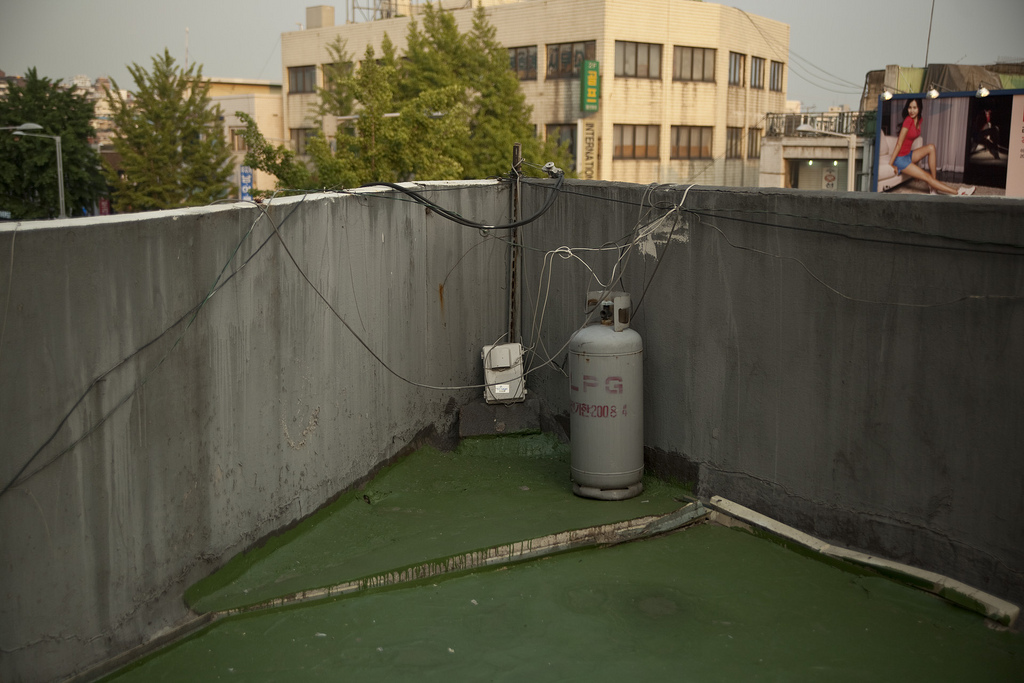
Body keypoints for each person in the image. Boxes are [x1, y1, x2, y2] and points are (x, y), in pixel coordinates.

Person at [888, 98, 975, 195]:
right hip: (900, 159)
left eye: (914, 108)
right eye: (909, 107)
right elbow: (899, 144)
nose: (911, 111)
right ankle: (959, 192)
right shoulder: (908, 120)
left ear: (919, 108)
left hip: (908, 155)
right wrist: (891, 164)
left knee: (931, 147)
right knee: (927, 176)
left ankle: (933, 187)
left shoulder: (919, 119)